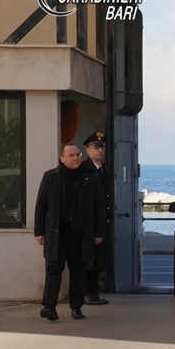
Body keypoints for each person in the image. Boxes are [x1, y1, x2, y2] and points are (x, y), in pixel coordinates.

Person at [33, 143, 105, 321]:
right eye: (71, 155)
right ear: (62, 158)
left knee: (78, 272)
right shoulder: (51, 177)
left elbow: (99, 207)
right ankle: (49, 307)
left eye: (78, 155)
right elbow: (41, 205)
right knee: (53, 270)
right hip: (57, 233)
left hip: (80, 234)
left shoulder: (90, 177)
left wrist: (99, 233)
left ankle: (77, 306)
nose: (76, 158)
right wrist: (39, 231)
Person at [81, 130, 113, 305]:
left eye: (102, 146)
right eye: (96, 147)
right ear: (88, 150)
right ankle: (87, 293)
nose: (100, 150)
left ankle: (95, 293)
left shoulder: (105, 170)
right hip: (88, 223)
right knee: (87, 260)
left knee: (99, 259)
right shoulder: (84, 170)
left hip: (101, 221)